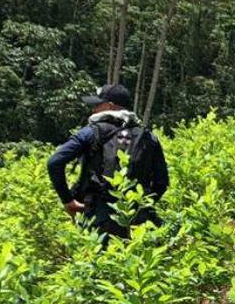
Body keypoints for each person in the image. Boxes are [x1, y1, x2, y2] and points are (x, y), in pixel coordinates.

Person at [46, 83, 169, 241]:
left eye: (97, 105)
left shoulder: (92, 132)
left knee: (97, 264)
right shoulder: (148, 137)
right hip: (137, 220)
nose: (93, 109)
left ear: (110, 106)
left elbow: (55, 162)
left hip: (99, 218)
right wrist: (141, 205)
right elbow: (162, 182)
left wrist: (68, 200)